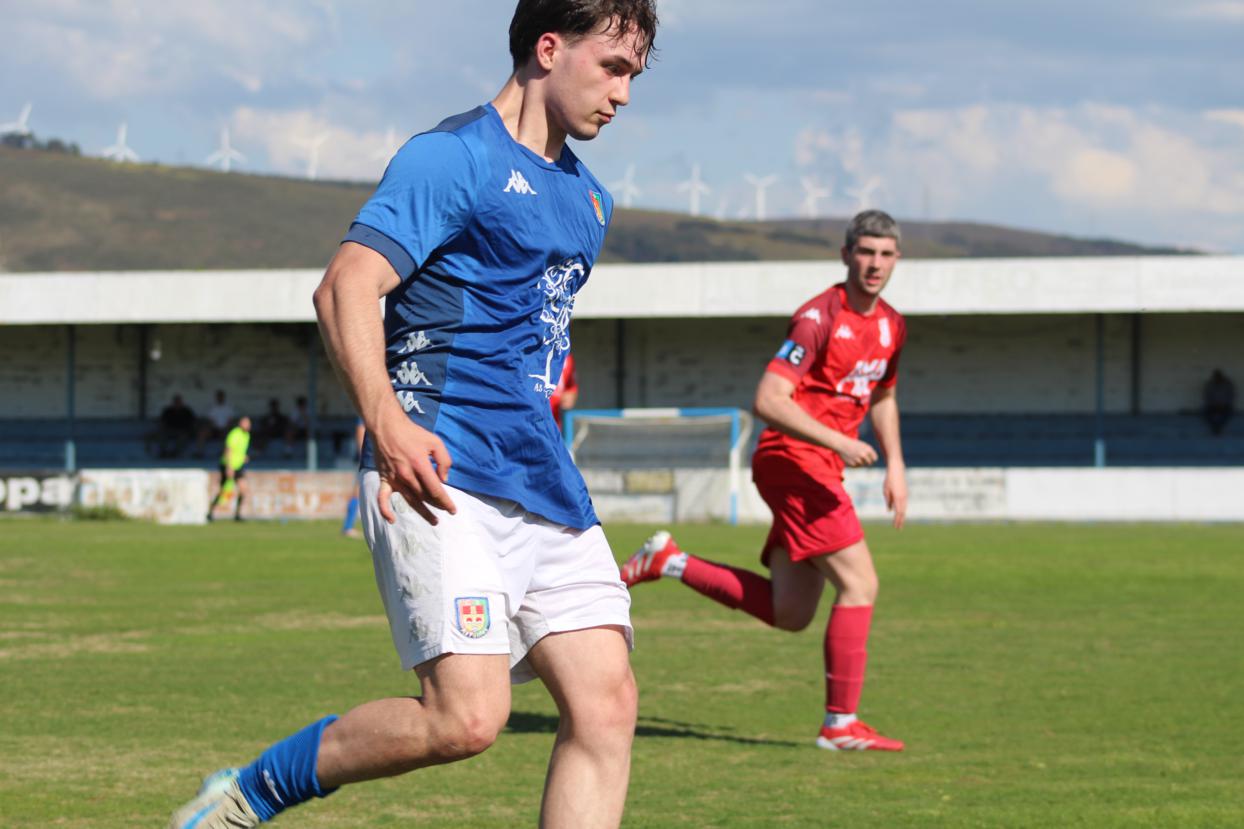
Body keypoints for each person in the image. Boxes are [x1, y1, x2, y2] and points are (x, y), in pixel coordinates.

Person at [168, 2, 658, 827]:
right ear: (549, 48)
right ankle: (252, 792)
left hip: (543, 480)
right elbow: (346, 286)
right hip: (440, 468)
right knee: (466, 718)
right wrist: (387, 420)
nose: (624, 94)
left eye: (634, 75)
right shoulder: (451, 157)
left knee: (607, 706)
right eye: (613, 67)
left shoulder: (591, 201)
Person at [621, 210, 910, 752]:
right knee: (860, 584)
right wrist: (840, 441)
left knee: (791, 612)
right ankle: (840, 724)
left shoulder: (892, 324)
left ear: (897, 259)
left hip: (817, 465)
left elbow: (885, 395)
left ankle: (670, 561)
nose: (875, 264)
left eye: (885, 254)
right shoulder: (817, 319)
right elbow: (768, 399)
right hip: (792, 460)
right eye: (866, 252)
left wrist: (895, 463)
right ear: (846, 255)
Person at [206, 416, 251, 522]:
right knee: (223, 491)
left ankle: (237, 514)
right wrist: (229, 467)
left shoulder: (247, 435)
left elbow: (239, 450)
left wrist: (243, 457)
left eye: (249, 423)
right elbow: (228, 449)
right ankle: (210, 513)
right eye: (245, 423)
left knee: (243, 490)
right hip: (228, 465)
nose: (248, 425)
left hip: (238, 466)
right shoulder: (234, 434)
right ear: (240, 423)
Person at [146, 393, 196, 458]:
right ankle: (163, 452)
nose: (177, 403)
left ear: (181, 402)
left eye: (179, 402)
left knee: (183, 436)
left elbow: (193, 421)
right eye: (176, 402)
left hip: (183, 430)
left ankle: (176, 452)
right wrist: (162, 427)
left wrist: (190, 429)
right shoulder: (168, 411)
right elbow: (162, 421)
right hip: (169, 430)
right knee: (161, 434)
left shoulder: (187, 411)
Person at [340, 417, 366, 538]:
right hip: (369, 460)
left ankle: (348, 527)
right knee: (357, 491)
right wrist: (363, 456)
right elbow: (360, 431)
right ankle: (348, 527)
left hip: (374, 459)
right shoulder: (367, 413)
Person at [194, 389, 235, 456]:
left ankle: (224, 453)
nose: (220, 398)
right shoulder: (213, 408)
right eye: (218, 396)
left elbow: (230, 421)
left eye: (221, 396)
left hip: (225, 429)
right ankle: (199, 452)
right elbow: (210, 421)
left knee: (227, 434)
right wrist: (214, 427)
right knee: (202, 433)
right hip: (214, 429)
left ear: (224, 397)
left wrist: (225, 428)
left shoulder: (228, 408)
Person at [550, 350, 579, 430]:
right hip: (530, 419)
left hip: (554, 420)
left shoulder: (566, 357)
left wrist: (570, 395)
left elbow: (571, 386)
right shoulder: (530, 353)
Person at [1203, 369, 1235, 435]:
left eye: (1219, 377)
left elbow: (1231, 395)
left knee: (1229, 413)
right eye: (1216, 377)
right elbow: (1207, 396)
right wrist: (1213, 403)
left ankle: (1219, 427)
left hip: (1225, 405)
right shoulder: (1210, 384)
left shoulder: (1227, 384)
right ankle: (1215, 427)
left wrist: (1224, 404)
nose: (1217, 379)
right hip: (1213, 405)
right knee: (1205, 413)